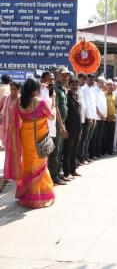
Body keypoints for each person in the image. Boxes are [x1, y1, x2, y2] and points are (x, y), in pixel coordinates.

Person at [16, 78, 55, 208]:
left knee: (28, 163)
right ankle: (40, 196)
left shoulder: (19, 102)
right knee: (40, 165)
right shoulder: (41, 102)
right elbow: (51, 117)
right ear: (35, 90)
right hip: (39, 138)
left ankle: (26, 194)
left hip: (25, 138)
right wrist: (53, 102)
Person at [50, 66, 70, 185]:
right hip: (57, 124)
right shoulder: (55, 88)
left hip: (61, 122)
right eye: (63, 75)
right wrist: (61, 126)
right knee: (55, 151)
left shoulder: (63, 88)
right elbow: (56, 108)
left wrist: (63, 124)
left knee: (60, 150)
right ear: (57, 74)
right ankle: (53, 176)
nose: (65, 77)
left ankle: (57, 173)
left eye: (66, 75)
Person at [0, 82, 22, 185]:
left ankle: (17, 174)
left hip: (18, 130)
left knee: (17, 153)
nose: (13, 91)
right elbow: (4, 113)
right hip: (9, 130)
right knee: (9, 152)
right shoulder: (7, 98)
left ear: (18, 90)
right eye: (11, 89)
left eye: (15, 89)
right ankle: (9, 174)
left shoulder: (21, 100)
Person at [62, 79, 82, 179]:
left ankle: (73, 170)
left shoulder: (76, 97)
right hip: (69, 128)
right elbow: (65, 114)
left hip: (77, 128)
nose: (75, 86)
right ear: (69, 85)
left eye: (76, 85)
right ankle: (66, 172)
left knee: (75, 150)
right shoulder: (67, 97)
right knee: (68, 151)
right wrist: (64, 128)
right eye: (73, 84)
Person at [79, 73, 96, 164]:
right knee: (84, 139)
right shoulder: (84, 89)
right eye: (90, 79)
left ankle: (86, 156)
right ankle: (81, 158)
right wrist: (89, 117)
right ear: (87, 80)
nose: (92, 81)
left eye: (93, 79)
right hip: (86, 118)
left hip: (93, 117)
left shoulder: (92, 89)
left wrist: (93, 117)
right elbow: (86, 105)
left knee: (88, 138)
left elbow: (93, 104)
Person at [90, 76, 107, 158]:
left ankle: (98, 153)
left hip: (103, 117)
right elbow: (94, 105)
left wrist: (105, 114)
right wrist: (100, 114)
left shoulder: (102, 92)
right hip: (96, 117)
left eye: (103, 82)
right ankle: (92, 154)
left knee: (100, 136)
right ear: (97, 82)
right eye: (100, 82)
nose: (102, 84)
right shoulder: (94, 91)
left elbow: (104, 104)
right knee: (95, 137)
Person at [103, 80, 117, 155]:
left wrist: (115, 113)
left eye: (112, 85)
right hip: (105, 118)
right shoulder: (103, 95)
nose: (111, 86)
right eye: (109, 85)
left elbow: (116, 106)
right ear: (106, 86)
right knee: (105, 135)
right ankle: (104, 150)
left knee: (111, 135)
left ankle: (110, 150)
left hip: (113, 118)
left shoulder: (115, 95)